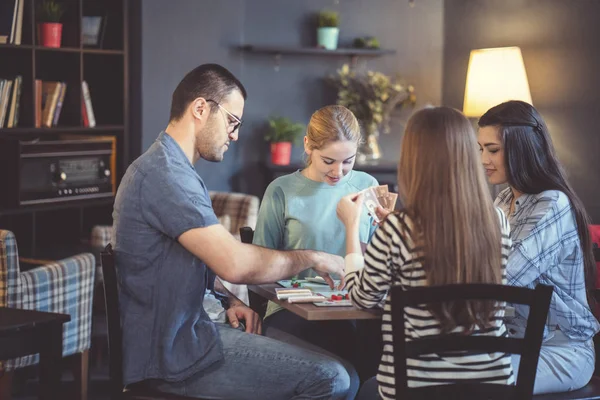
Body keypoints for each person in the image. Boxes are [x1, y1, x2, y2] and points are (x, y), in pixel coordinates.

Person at [111, 63, 353, 400]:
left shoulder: (173, 169)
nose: (235, 135)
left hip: (189, 332)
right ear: (200, 108)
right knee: (332, 379)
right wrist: (311, 257)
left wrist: (225, 299)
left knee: (349, 374)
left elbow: (189, 262)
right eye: (232, 122)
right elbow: (235, 264)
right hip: (173, 354)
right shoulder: (164, 176)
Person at [337, 106, 515, 400]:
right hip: (491, 385)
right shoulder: (497, 221)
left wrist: (352, 227)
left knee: (361, 389)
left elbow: (363, 298)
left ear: (414, 161)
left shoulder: (398, 229)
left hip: (418, 388)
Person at [477, 100, 600, 394]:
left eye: (492, 149)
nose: (483, 159)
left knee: (461, 381)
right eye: (480, 149)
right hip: (515, 341)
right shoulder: (503, 200)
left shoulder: (552, 204)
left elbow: (504, 280)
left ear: (522, 147)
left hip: (562, 351)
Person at [253, 105, 380, 385]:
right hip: (295, 313)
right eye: (328, 161)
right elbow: (259, 264)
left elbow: (381, 263)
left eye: (348, 160)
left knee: (382, 372)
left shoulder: (367, 185)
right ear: (308, 146)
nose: (339, 171)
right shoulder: (281, 190)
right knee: (349, 374)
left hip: (358, 311)